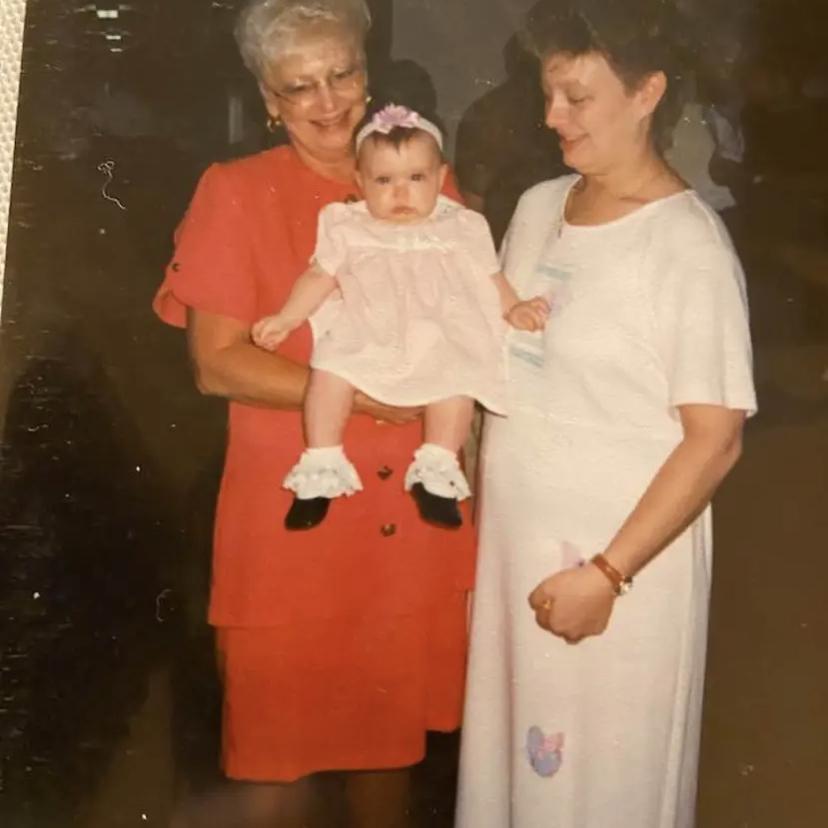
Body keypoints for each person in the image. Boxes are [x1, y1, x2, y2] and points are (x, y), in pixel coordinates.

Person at [153, 2, 475, 826]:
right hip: (290, 527)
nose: (329, 101)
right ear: (268, 98)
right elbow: (215, 362)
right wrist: (355, 395)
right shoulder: (234, 192)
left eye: (344, 75)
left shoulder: (424, 174)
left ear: (369, 74)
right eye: (301, 86)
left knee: (387, 750)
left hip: (409, 515)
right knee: (272, 763)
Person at [456, 2, 757, 827]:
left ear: (648, 92)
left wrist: (609, 572)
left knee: (604, 788)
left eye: (578, 97)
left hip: (618, 569)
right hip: (516, 551)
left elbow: (716, 440)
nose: (553, 116)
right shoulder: (536, 207)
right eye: (549, 94)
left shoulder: (686, 248)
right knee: (514, 780)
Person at [252, 103, 546, 531]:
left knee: (458, 377)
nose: (401, 194)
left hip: (438, 330)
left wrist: (513, 306)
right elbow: (319, 275)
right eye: (384, 181)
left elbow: (489, 275)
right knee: (330, 369)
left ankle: (438, 470)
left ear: (441, 179)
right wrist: (286, 318)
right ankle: (321, 465)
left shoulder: (462, 226)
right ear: (360, 181)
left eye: (416, 179)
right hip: (368, 327)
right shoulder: (348, 225)